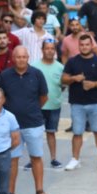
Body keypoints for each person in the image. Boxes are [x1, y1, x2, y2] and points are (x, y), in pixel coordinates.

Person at [0, 46, 50, 194]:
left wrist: (31, 109)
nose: (21, 60)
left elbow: (43, 97)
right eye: (18, 57)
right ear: (13, 58)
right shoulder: (5, 76)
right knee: (12, 159)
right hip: (12, 126)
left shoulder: (37, 74)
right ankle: (10, 193)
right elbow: (1, 97)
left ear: (28, 58)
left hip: (33, 123)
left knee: (36, 157)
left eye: (24, 57)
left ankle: (40, 191)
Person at [62, 34, 97, 170]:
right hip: (77, 103)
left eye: (87, 44)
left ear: (91, 45)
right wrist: (74, 78)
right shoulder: (72, 62)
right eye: (82, 45)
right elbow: (63, 79)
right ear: (79, 46)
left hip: (95, 102)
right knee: (77, 132)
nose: (84, 47)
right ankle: (75, 159)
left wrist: (94, 84)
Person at [32, 39, 66, 169]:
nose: (50, 51)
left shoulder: (60, 67)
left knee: (51, 132)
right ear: (42, 50)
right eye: (47, 48)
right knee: (36, 134)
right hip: (37, 106)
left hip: (54, 106)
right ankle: (34, 159)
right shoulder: (34, 66)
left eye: (52, 48)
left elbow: (62, 86)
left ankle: (53, 158)